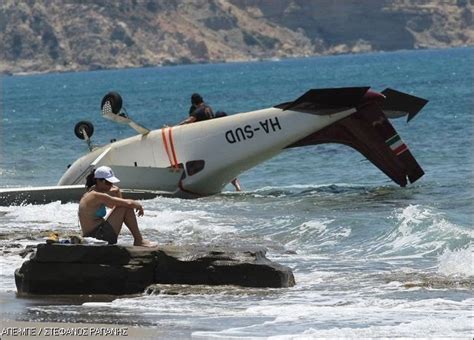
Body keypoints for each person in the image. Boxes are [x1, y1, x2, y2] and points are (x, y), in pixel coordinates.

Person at [78, 166, 157, 247]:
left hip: (96, 234)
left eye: (112, 183)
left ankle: (139, 240)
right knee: (126, 206)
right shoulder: (96, 195)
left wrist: (117, 191)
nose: (111, 185)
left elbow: (114, 206)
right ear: (99, 181)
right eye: (108, 183)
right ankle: (139, 240)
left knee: (123, 206)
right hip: (97, 237)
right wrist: (138, 205)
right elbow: (128, 204)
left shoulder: (92, 191)